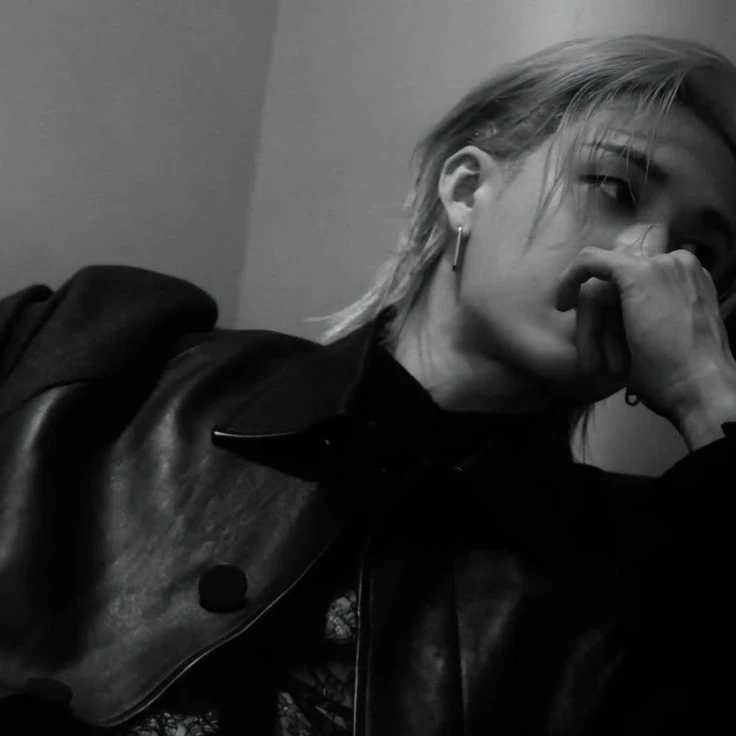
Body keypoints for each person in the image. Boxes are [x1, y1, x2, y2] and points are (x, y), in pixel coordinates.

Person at [2, 33, 736, 735]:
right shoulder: (102, 349)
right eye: (614, 187)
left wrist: (710, 397)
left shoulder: (641, 574)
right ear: (468, 189)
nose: (647, 258)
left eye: (698, 254)